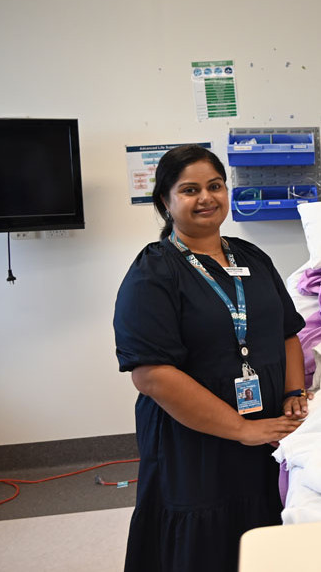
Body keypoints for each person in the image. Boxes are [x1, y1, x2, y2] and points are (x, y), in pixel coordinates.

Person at [113, 145, 309, 571]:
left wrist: (294, 390)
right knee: (202, 542)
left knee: (261, 527)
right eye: (190, 189)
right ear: (165, 201)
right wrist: (240, 428)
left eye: (214, 185)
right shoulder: (154, 271)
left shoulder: (252, 257)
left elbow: (288, 334)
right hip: (193, 443)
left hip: (265, 429)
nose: (206, 197)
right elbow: (151, 375)